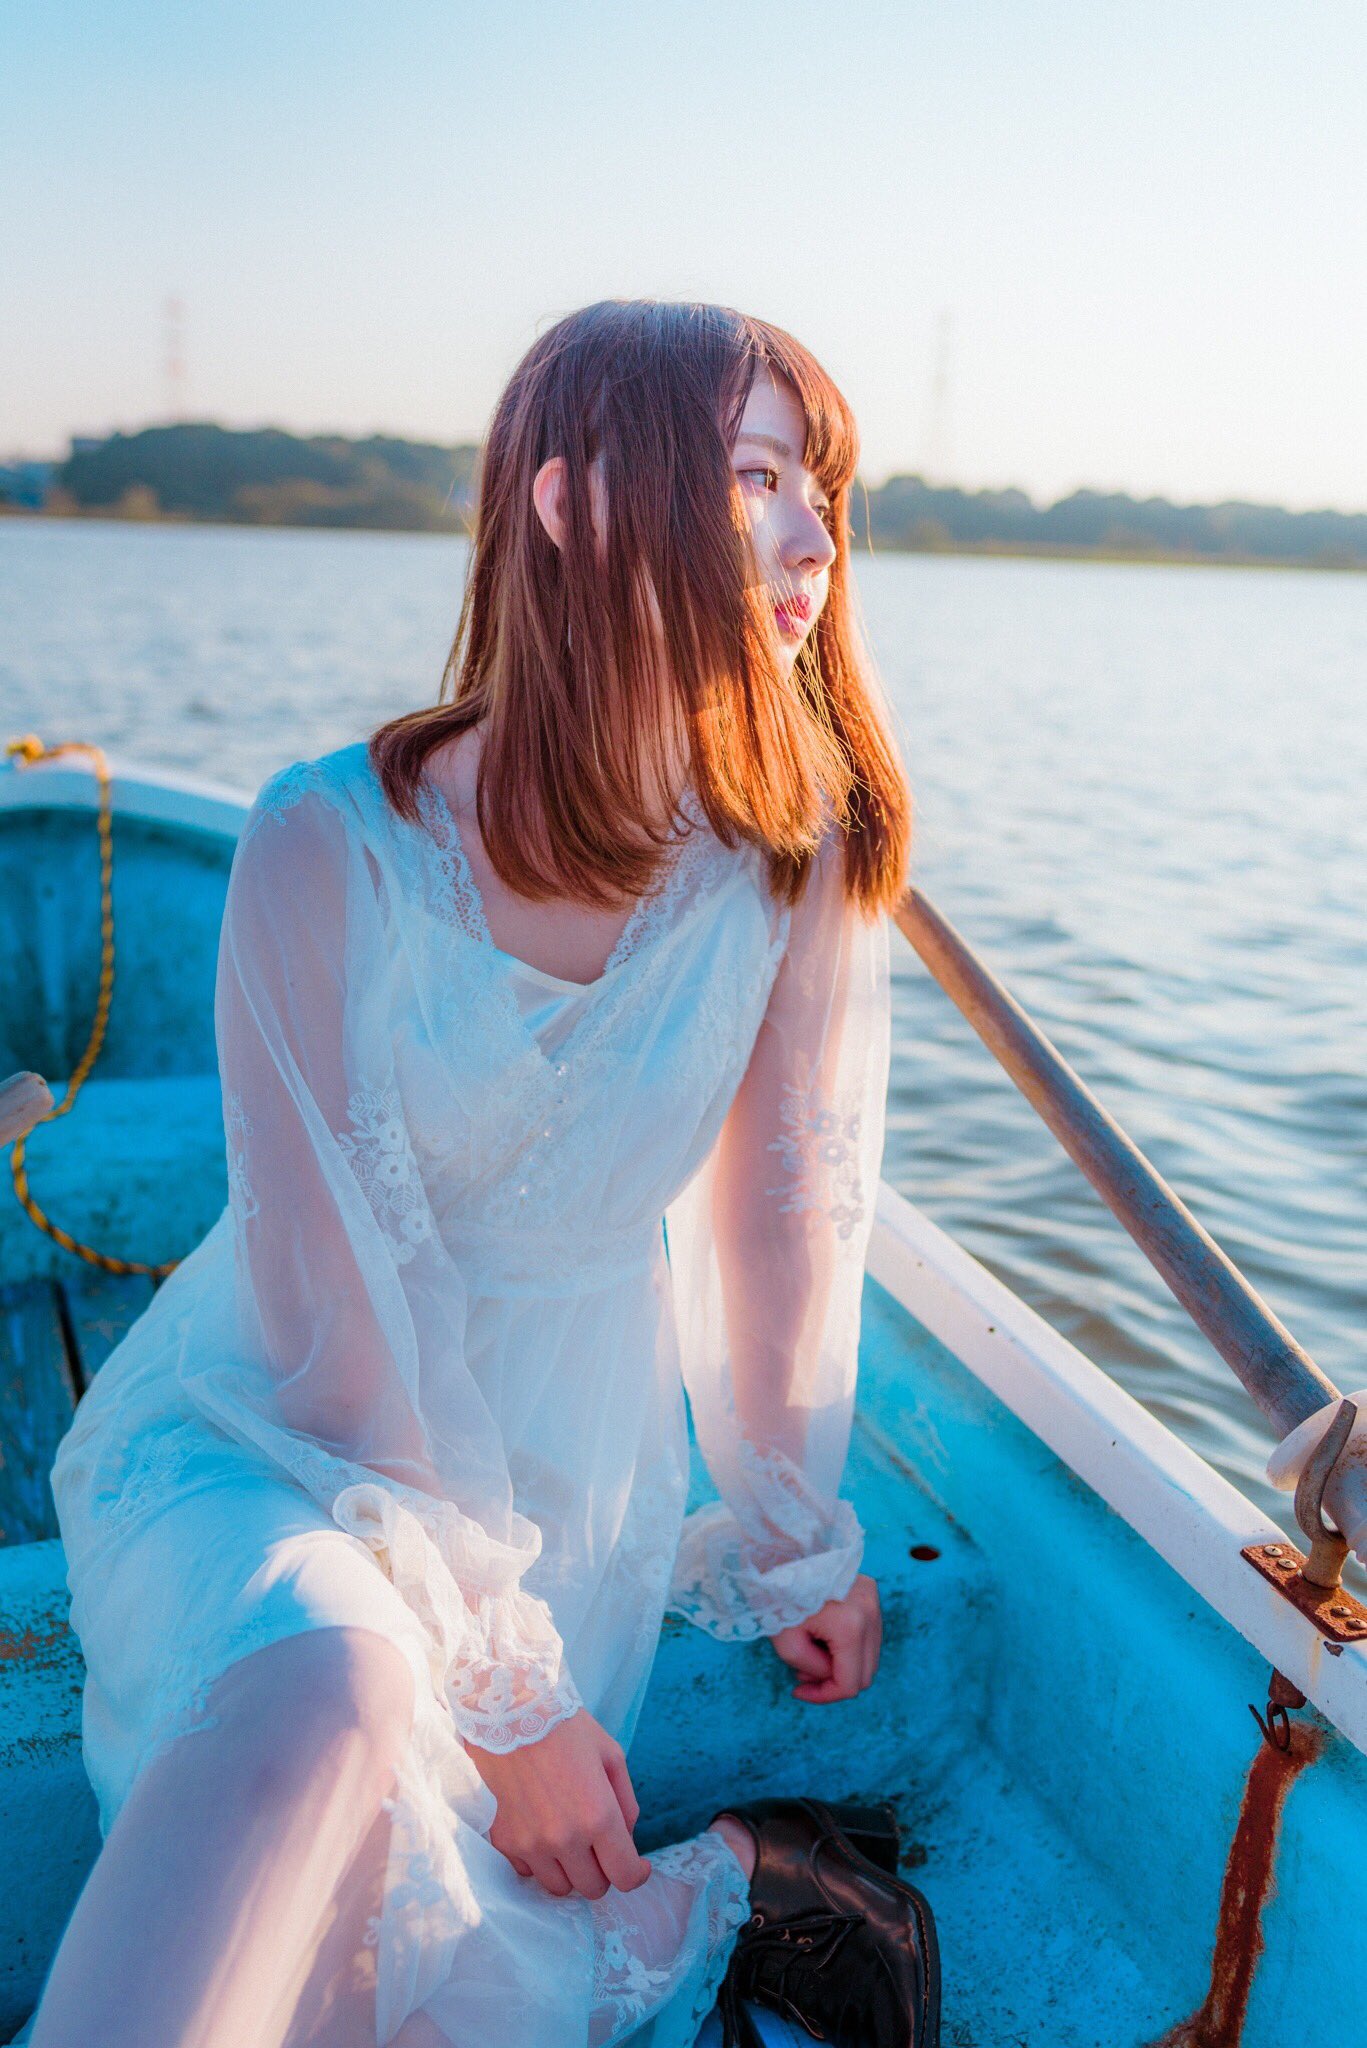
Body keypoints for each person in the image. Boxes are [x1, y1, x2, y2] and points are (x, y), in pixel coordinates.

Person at [25, 299, 933, 2048]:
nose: (817, 541)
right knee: (338, 1691)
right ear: (573, 504)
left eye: (822, 490)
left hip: (564, 1465)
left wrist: (794, 1535)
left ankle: (730, 1878)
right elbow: (334, 1307)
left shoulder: (793, 852)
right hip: (277, 1430)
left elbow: (784, 1211)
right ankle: (715, 1895)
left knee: (384, 1968)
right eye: (756, 479)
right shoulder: (323, 842)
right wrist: (503, 1684)